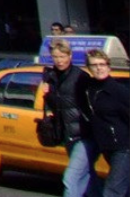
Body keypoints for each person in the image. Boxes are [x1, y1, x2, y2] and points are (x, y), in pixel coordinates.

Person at [45, 38, 98, 197]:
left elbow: (93, 105)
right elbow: (55, 105)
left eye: (63, 56)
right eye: (56, 57)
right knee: (88, 179)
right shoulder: (51, 76)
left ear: (70, 56)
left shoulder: (80, 77)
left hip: (85, 135)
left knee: (71, 178)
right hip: (68, 136)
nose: (59, 61)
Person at [82, 49, 130, 197]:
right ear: (89, 68)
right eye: (94, 65)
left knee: (112, 190)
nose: (99, 68)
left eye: (102, 64)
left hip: (123, 147)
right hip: (106, 145)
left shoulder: (118, 91)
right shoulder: (90, 89)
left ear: (109, 67)